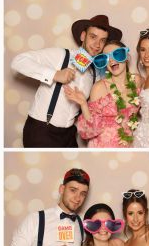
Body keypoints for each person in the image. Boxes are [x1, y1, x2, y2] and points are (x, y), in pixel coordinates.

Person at [11, 14, 122, 148]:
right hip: (42, 131)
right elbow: (18, 61)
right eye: (93, 37)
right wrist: (55, 74)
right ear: (83, 36)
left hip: (69, 135)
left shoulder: (96, 73)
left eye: (102, 40)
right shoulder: (61, 55)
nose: (97, 45)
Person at [65, 41, 142, 147]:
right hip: (103, 146)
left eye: (117, 54)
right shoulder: (99, 88)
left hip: (127, 145)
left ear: (126, 56)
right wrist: (83, 104)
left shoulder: (136, 80)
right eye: (106, 58)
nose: (111, 60)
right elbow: (89, 131)